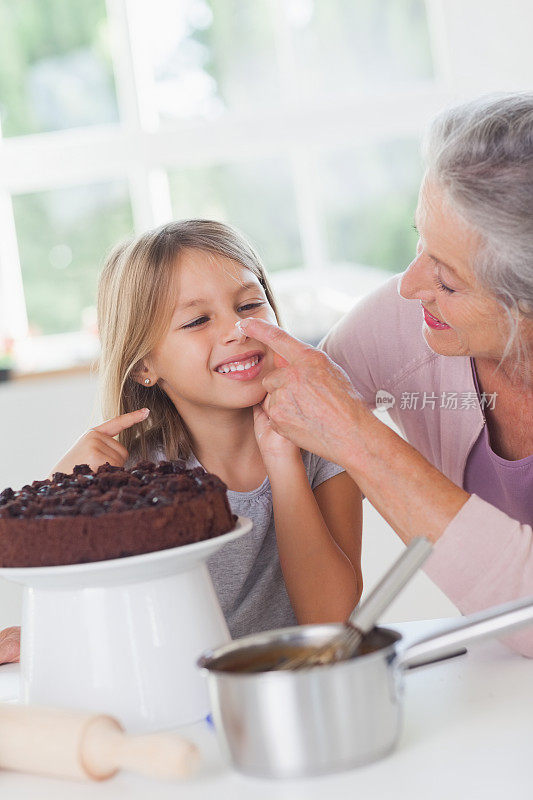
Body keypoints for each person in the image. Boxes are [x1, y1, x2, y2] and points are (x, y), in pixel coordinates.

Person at [233, 93, 533, 657]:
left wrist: (357, 438)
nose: (409, 286)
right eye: (420, 243)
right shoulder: (402, 327)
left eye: (447, 280)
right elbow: (245, 424)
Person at [0, 220, 362, 664]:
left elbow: (329, 621)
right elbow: (98, 625)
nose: (239, 329)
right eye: (197, 320)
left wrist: (282, 459)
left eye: (250, 304)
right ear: (144, 366)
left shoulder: (326, 442)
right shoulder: (127, 480)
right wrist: (62, 491)